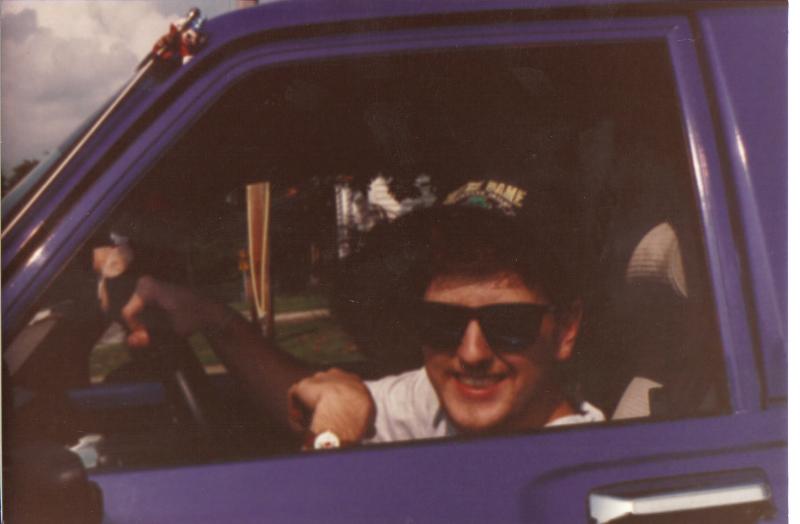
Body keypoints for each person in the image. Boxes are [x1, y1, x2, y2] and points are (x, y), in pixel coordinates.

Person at [125, 177, 604, 448]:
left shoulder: (565, 463)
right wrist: (212, 318)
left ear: (566, 330)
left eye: (509, 325)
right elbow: (326, 401)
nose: (472, 353)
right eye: (443, 323)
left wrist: (332, 443)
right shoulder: (446, 403)